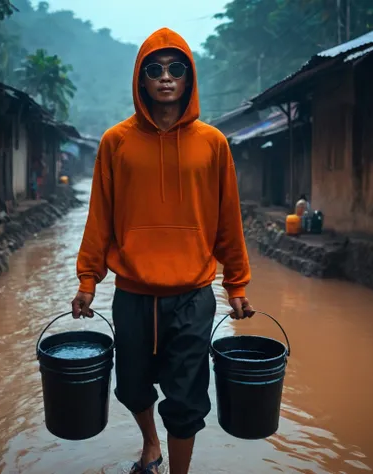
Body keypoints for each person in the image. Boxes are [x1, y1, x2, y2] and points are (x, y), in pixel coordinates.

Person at [72, 28, 254, 474]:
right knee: (132, 387)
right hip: (132, 293)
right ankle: (151, 445)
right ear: (141, 79)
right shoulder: (116, 142)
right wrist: (87, 280)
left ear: (189, 79)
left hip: (193, 295)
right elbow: (100, 216)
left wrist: (237, 284)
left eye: (176, 69)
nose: (166, 77)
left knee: (187, 398)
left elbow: (229, 221)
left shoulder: (213, 143)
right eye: (154, 69)